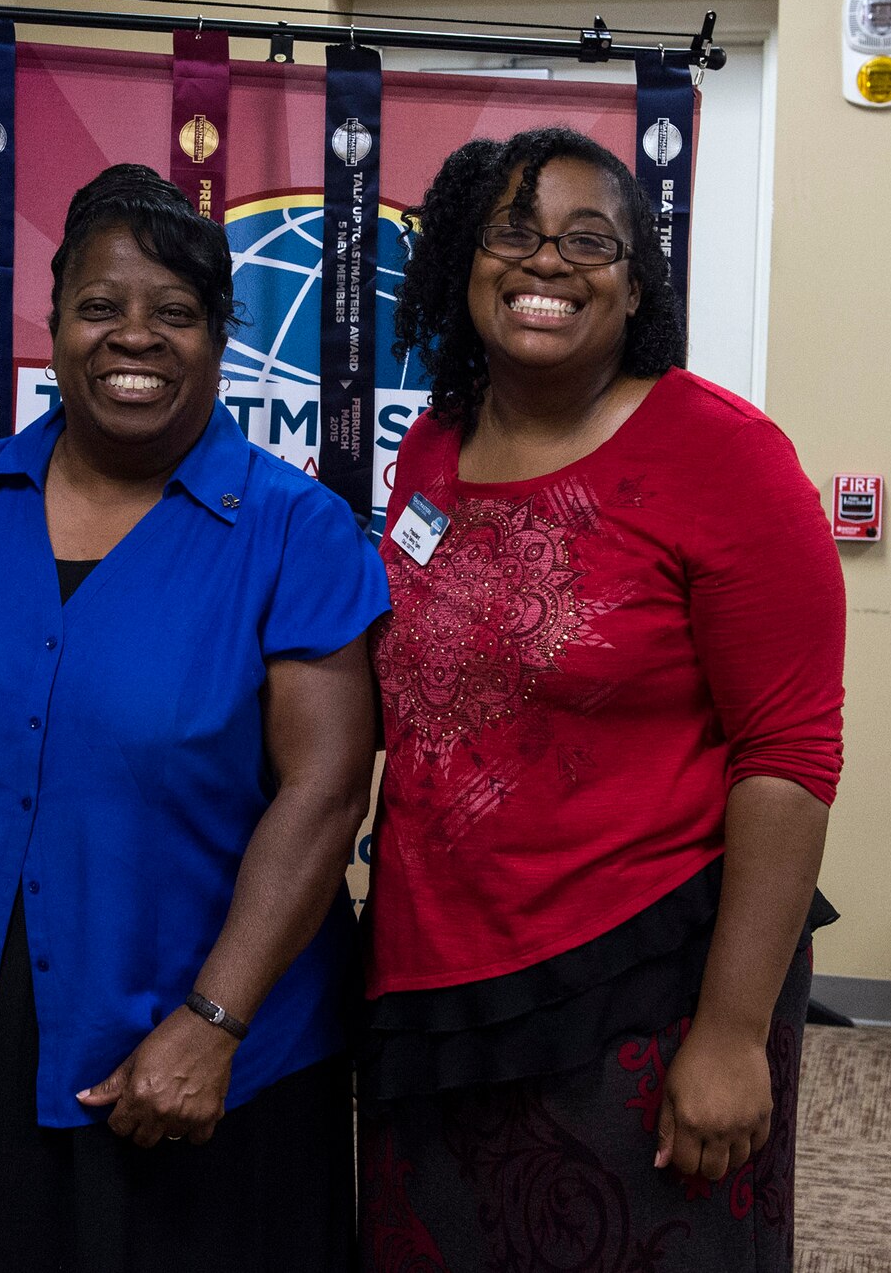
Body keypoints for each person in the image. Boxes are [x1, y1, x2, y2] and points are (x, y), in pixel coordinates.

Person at [0, 163, 388, 1273]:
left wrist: (213, 1021)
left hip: (195, 1049)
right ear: (55, 323)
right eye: (100, 308)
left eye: (174, 313)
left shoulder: (294, 531)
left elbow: (325, 788)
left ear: (218, 339)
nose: (133, 338)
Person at [358, 127, 845, 1272]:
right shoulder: (430, 446)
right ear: (461, 261)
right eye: (513, 233)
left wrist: (729, 1034)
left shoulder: (722, 455)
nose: (548, 264)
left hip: (640, 979)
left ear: (635, 283)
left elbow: (788, 753)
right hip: (433, 970)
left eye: (590, 241)